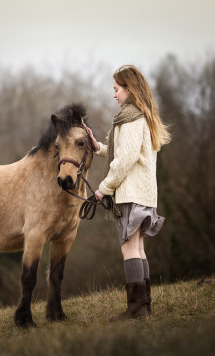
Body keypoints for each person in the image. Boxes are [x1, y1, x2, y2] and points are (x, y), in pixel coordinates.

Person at [86, 65, 170, 321]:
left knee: (129, 248)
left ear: (129, 89)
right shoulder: (135, 116)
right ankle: (143, 306)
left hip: (131, 194)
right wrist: (97, 146)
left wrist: (104, 188)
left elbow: (126, 158)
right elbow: (117, 149)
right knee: (138, 247)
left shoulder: (132, 118)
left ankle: (136, 309)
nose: (114, 95)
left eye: (116, 90)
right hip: (142, 194)